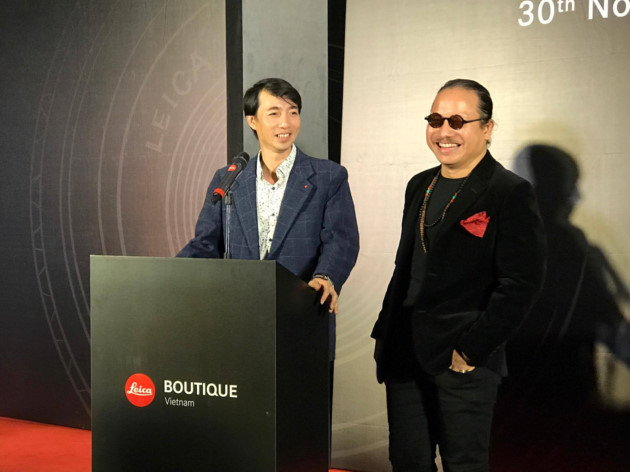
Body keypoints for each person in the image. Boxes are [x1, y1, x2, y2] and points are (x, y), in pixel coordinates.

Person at [371, 79, 546, 472]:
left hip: (463, 357)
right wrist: (386, 331)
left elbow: (521, 284)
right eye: (435, 120)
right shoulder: (419, 184)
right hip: (403, 353)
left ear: (487, 127)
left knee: (463, 464)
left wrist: (471, 350)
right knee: (407, 461)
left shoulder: (508, 191)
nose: (444, 131)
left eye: (457, 121)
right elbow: (406, 267)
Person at [178, 77, 359, 351]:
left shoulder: (328, 176)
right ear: (252, 121)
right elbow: (205, 244)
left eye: (293, 112)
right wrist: (167, 275)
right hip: (237, 324)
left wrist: (326, 276)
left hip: (302, 319)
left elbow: (341, 240)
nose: (285, 123)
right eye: (274, 114)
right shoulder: (229, 179)